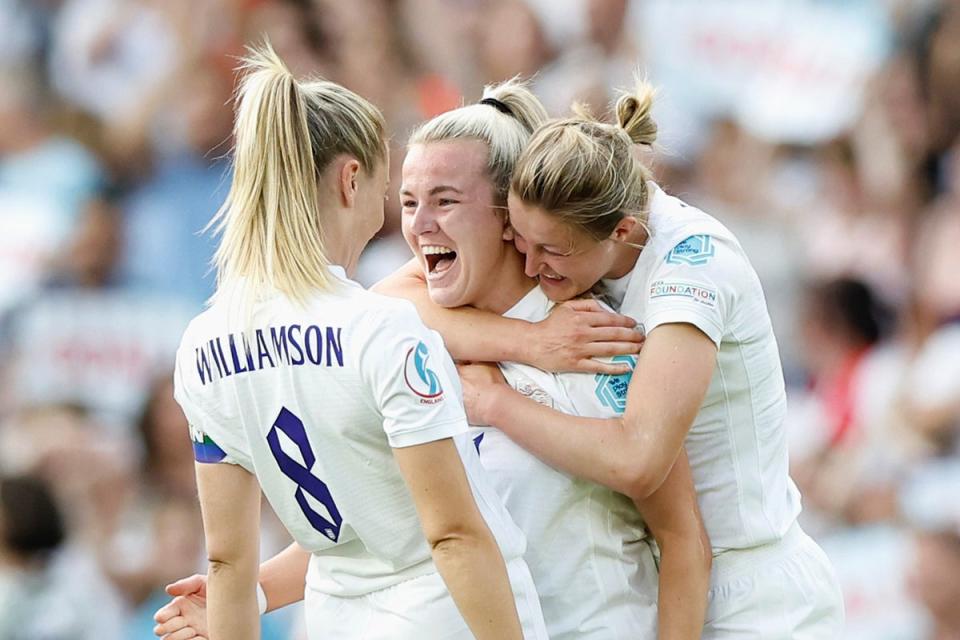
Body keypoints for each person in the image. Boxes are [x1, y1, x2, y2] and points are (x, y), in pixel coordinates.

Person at [155, 80, 709, 640]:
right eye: (408, 201)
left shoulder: (593, 342)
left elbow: (682, 538)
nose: (420, 226)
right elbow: (386, 525)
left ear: (510, 217)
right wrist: (246, 596)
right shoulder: (400, 341)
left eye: (445, 201)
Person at [170, 42, 547, 640]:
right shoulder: (383, 328)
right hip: (441, 616)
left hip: (329, 620)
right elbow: (451, 534)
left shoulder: (201, 346)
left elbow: (227, 565)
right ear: (351, 179)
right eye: (387, 179)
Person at [456, 83, 846, 637]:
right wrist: (525, 342)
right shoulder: (583, 246)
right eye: (521, 240)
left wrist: (494, 404)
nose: (530, 264)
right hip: (674, 576)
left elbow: (638, 460)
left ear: (623, 230)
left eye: (553, 251)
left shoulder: (692, 265)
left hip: (759, 595)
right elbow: (399, 301)